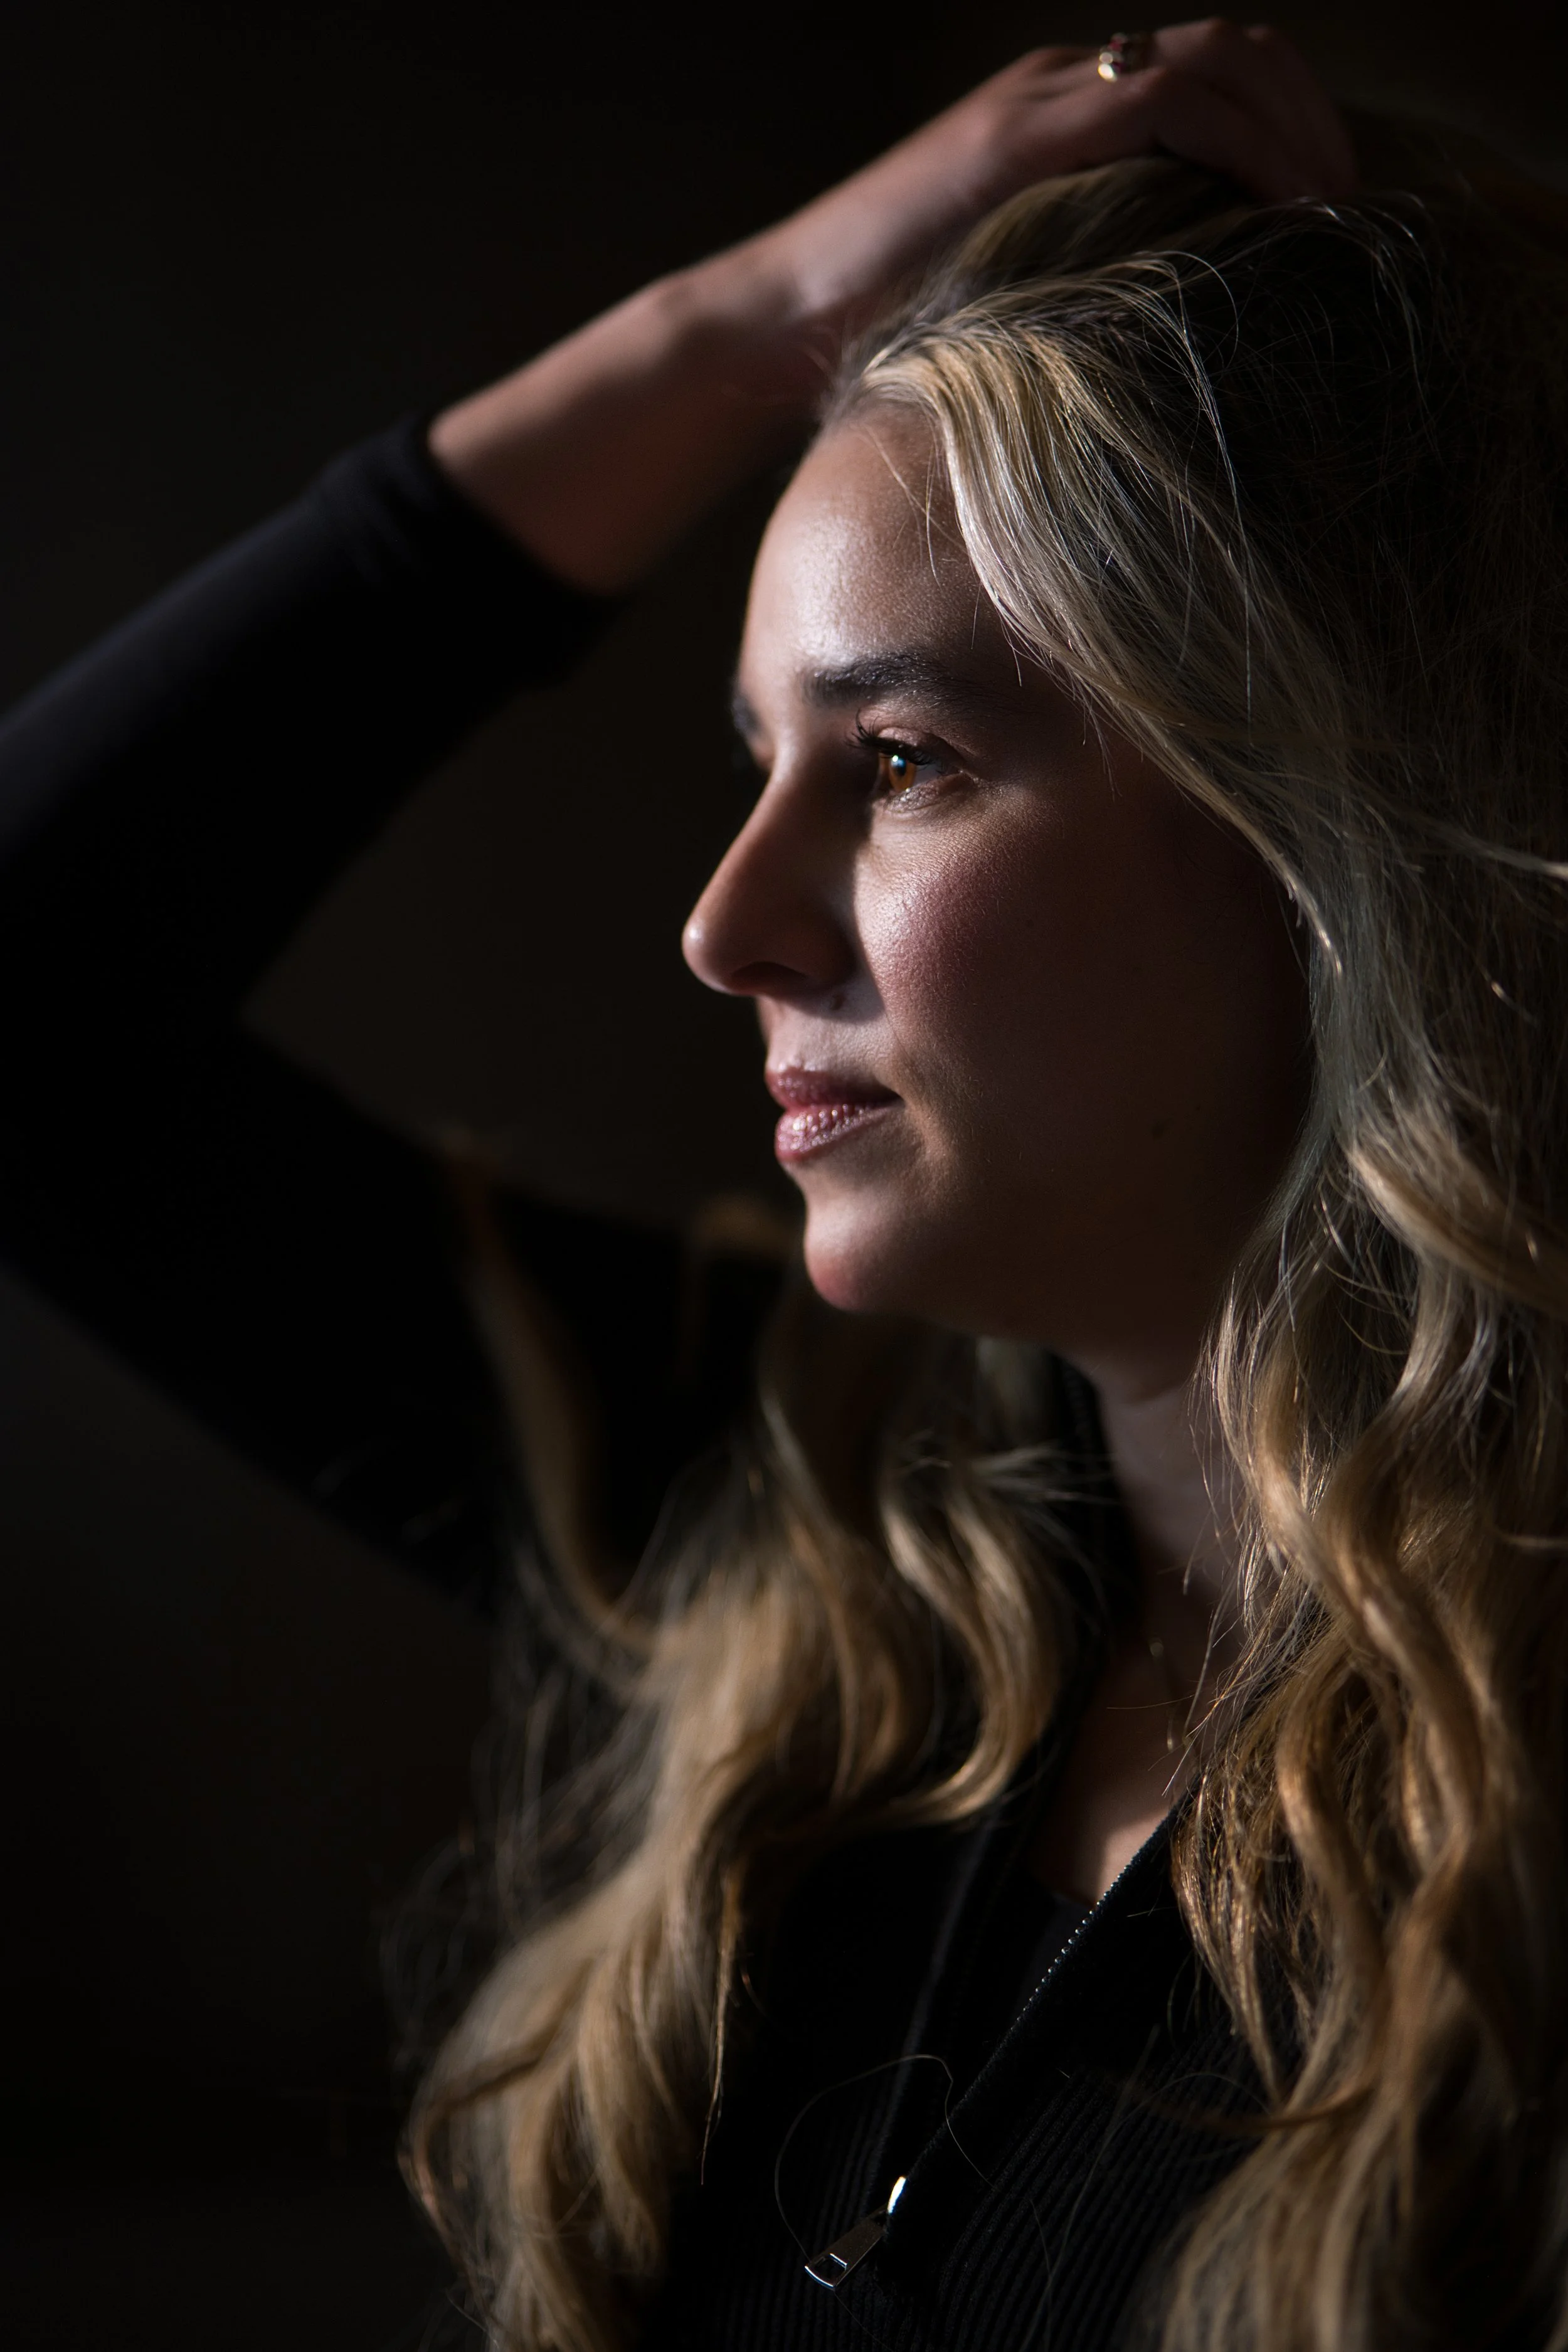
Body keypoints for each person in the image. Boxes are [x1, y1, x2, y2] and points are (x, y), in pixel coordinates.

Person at [1, 18, 1563, 2350]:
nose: (726, 924)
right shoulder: (792, 1538)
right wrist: (747, 318)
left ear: (1323, 824)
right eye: (762, 756)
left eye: (902, 756)